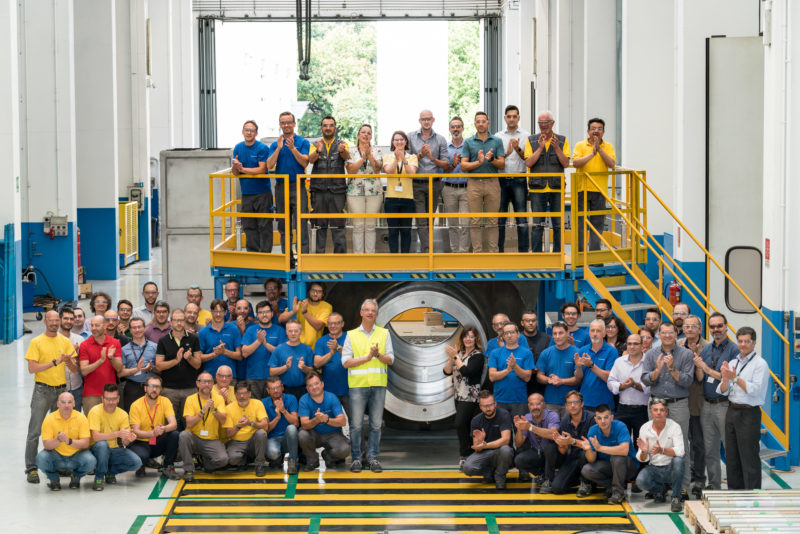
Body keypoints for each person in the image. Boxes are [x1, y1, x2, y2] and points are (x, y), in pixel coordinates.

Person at [24, 311, 78, 484]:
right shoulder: (36, 342)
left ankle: (59, 465)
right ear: (45, 321)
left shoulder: (65, 341)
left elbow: (74, 368)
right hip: (42, 391)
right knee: (35, 431)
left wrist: (68, 360)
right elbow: (32, 369)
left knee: (59, 431)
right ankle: (31, 468)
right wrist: (55, 362)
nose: (54, 323)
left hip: (60, 392)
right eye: (51, 320)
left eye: (57, 320)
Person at [641, 321, 694, 495]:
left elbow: (687, 381)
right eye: (664, 333)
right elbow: (646, 379)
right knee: (655, 443)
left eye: (671, 332)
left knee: (682, 444)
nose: (667, 336)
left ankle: (683, 486)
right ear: (659, 334)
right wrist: (658, 369)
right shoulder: (651, 354)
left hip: (678, 403)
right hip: (657, 404)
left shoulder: (686, 354)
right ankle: (659, 487)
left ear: (676, 333)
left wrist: (671, 369)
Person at [341, 298, 394, 473]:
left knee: (376, 425)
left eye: (373, 310)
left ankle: (372, 458)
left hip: (378, 386)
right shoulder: (351, 335)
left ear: (377, 314)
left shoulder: (384, 334)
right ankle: (356, 458)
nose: (370, 313)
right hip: (358, 386)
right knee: (356, 425)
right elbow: (345, 362)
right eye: (367, 310)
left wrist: (377, 354)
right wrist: (367, 357)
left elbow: (391, 359)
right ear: (361, 313)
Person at [717, 326, 770, 490]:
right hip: (732, 411)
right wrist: (726, 378)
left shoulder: (760, 364)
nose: (743, 344)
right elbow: (722, 390)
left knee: (749, 457)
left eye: (747, 341)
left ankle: (752, 496)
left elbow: (755, 390)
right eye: (740, 341)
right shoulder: (734, 362)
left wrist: (735, 377)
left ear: (754, 343)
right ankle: (735, 493)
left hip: (749, 413)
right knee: (732, 456)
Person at [694, 312, 735, 492]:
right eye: (713, 327)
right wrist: (698, 366)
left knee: (729, 447)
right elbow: (701, 377)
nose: (716, 329)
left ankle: (735, 485)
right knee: (710, 449)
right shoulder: (707, 348)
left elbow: (728, 378)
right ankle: (714, 485)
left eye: (719, 326)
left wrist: (706, 368)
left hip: (724, 404)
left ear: (726, 326)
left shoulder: (733, 349)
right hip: (706, 405)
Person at [267, 111, 311, 257]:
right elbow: (269, 165)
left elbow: (305, 162)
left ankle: (302, 257)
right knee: (283, 224)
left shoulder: (303, 142)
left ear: (294, 123)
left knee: (301, 224)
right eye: (283, 122)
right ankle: (287, 258)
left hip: (298, 186)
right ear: (280, 125)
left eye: (288, 122)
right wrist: (279, 149)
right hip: (281, 188)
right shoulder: (275, 144)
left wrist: (293, 149)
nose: (286, 125)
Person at [525, 111, 570, 252]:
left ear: (552, 123)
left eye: (546, 122)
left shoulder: (562, 140)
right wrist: (539, 148)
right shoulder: (531, 140)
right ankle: (538, 256)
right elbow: (528, 163)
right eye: (540, 123)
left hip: (556, 188)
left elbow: (566, 163)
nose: (543, 126)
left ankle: (558, 254)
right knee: (537, 224)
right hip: (537, 188)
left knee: (558, 224)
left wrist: (556, 148)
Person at [461, 111, 506, 253]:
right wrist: (478, 163)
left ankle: (493, 253)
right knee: (475, 220)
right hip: (474, 183)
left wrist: (491, 159)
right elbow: (463, 166)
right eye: (478, 121)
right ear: (475, 124)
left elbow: (502, 164)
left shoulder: (497, 141)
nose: (481, 124)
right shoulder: (468, 142)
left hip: (493, 182)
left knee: (493, 220)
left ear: (488, 123)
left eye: (483, 121)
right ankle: (477, 253)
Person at [408, 110, 450, 254]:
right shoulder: (410, 137)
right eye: (423, 119)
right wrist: (421, 155)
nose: (426, 121)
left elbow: (445, 164)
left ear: (433, 120)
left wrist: (432, 158)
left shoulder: (441, 139)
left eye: (429, 119)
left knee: (430, 219)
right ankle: (427, 251)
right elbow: (406, 160)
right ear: (419, 121)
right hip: (417, 183)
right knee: (421, 219)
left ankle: (427, 250)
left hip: (435, 183)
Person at [571, 118, 616, 252]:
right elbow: (576, 163)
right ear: (588, 131)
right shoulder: (580, 145)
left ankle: (595, 255)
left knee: (597, 224)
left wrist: (600, 150)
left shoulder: (608, 146)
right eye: (593, 128)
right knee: (580, 224)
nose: (596, 131)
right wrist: (592, 153)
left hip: (600, 190)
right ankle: (580, 255)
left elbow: (612, 164)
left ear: (604, 132)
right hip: (582, 189)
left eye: (599, 129)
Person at [36, 392, 96, 491]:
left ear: (74, 404)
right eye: (63, 402)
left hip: (76, 456)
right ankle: (54, 479)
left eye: (69, 402)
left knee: (91, 461)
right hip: (56, 457)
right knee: (41, 458)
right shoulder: (49, 419)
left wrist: (69, 441)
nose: (66, 405)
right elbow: (47, 445)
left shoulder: (81, 418)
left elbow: (85, 444)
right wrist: (58, 439)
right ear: (58, 404)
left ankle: (76, 477)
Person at [443, 326, 485, 467]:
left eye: (471, 336)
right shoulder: (459, 354)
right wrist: (451, 359)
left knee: (459, 423)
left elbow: (467, 371)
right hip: (458, 396)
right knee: (465, 425)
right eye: (465, 336)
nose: (468, 339)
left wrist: (456, 357)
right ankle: (470, 454)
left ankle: (465, 454)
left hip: (470, 397)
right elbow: (446, 371)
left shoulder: (478, 356)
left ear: (476, 339)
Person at [580, 404, 639, 504]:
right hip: (608, 466)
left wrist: (600, 448)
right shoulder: (593, 431)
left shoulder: (620, 426)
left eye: (606, 417)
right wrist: (589, 449)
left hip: (628, 466)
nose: (603, 421)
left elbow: (624, 451)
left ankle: (618, 493)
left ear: (611, 417)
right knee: (586, 470)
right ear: (595, 419)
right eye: (599, 418)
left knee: (617, 458)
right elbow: (591, 460)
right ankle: (612, 486)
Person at [87, 384, 142, 490]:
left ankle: (109, 472)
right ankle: (99, 477)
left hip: (115, 450)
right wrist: (117, 434)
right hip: (96, 451)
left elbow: (124, 442)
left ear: (118, 399)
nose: (111, 402)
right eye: (108, 399)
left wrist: (128, 439)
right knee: (102, 445)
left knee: (136, 462)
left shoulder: (123, 414)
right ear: (102, 399)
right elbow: (95, 437)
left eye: (113, 399)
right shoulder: (95, 411)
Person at [155, 308, 203, 430]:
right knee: (170, 425)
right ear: (171, 321)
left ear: (185, 321)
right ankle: (170, 449)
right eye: (176, 320)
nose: (179, 323)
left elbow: (198, 364)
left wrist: (190, 358)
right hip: (169, 390)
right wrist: (176, 361)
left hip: (190, 389)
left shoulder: (193, 339)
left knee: (190, 425)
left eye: (181, 320)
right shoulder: (163, 341)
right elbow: (159, 366)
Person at [636, 398, 686, 513]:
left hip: (670, 468)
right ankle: (660, 490)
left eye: (662, 410)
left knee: (679, 461)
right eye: (655, 410)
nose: (659, 413)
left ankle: (676, 498)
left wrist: (662, 450)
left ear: (666, 412)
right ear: (651, 412)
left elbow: (681, 451)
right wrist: (644, 451)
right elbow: (642, 458)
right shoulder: (645, 428)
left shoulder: (674, 426)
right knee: (640, 481)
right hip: (654, 468)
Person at [308, 115, 349, 254]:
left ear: (335, 128)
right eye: (325, 125)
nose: (328, 128)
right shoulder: (314, 144)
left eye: (331, 125)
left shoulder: (342, 143)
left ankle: (340, 258)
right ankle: (319, 257)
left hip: (337, 191)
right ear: (321, 128)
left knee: (338, 225)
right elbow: (311, 160)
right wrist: (318, 150)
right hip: (318, 191)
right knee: (319, 225)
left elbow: (346, 158)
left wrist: (342, 150)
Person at [178, 371, 229, 481]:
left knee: (223, 460)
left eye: (209, 382)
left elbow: (223, 420)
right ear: (198, 383)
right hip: (194, 437)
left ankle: (205, 463)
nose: (207, 384)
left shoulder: (219, 398)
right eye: (204, 381)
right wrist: (203, 411)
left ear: (212, 384)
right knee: (183, 435)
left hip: (211, 439)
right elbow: (189, 423)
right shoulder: (190, 399)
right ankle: (188, 469)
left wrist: (214, 410)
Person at [128, 375, 181, 479]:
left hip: (157, 441)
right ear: (145, 388)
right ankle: (142, 464)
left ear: (161, 389)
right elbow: (136, 431)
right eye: (151, 386)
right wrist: (152, 433)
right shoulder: (136, 405)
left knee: (174, 434)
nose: (154, 389)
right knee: (142, 457)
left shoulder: (165, 401)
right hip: (140, 442)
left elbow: (173, 424)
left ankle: (168, 466)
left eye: (157, 387)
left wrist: (162, 429)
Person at [232, 119, 272, 252]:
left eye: (252, 130)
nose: (249, 133)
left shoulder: (262, 148)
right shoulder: (238, 148)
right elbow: (235, 173)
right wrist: (236, 167)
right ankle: (253, 254)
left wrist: (242, 169)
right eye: (246, 130)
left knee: (264, 225)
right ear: (242, 132)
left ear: (256, 133)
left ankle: (266, 254)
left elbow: (261, 169)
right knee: (249, 226)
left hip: (262, 193)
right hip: (246, 193)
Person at [681, 313, 710, 497]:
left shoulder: (707, 348)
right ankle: (682, 477)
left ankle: (699, 479)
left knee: (699, 443)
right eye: (687, 326)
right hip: (680, 401)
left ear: (700, 329)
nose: (690, 329)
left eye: (693, 326)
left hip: (699, 402)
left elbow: (702, 378)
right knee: (682, 444)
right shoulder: (677, 345)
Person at [495, 105, 530, 253]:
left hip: (519, 180)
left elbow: (528, 159)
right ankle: (499, 252)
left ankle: (523, 252)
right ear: (505, 118)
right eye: (509, 116)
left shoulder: (527, 136)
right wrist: (508, 152)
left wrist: (518, 149)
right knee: (500, 219)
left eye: (514, 116)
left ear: (519, 118)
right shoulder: (497, 137)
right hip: (501, 180)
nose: (511, 119)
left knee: (521, 218)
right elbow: (496, 159)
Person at [461, 391, 514, 489]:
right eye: (485, 406)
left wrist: (486, 445)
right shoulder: (476, 420)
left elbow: (506, 440)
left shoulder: (503, 414)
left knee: (506, 450)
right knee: (467, 467)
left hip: (500, 452)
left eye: (490, 405)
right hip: (485, 453)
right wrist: (480, 441)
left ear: (495, 404)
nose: (488, 408)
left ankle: (500, 476)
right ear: (480, 407)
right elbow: (477, 449)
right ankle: (488, 472)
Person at [298, 373, 350, 471]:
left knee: (345, 450)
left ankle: (328, 456)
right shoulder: (304, 400)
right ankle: (312, 460)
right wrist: (316, 420)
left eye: (316, 383)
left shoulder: (332, 397)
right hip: (315, 434)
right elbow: (304, 425)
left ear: (322, 384)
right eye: (310, 385)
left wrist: (326, 420)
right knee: (302, 435)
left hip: (333, 434)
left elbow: (342, 421)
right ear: (307, 388)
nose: (314, 387)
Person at [345, 123, 383, 254]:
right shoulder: (350, 151)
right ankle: (358, 257)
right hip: (354, 192)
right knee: (358, 225)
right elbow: (351, 171)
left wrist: (369, 155)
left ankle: (370, 257)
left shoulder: (377, 151)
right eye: (363, 132)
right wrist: (363, 158)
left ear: (371, 136)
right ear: (358, 135)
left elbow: (377, 170)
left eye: (368, 133)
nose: (366, 135)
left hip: (374, 192)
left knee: (371, 225)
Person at [607, 334, 650, 445]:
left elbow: (651, 386)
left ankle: (640, 463)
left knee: (641, 444)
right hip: (622, 409)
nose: (632, 347)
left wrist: (634, 385)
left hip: (643, 410)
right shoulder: (619, 362)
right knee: (621, 443)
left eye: (635, 344)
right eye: (629, 344)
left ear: (642, 345)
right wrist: (622, 386)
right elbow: (610, 382)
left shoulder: (649, 362)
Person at [241, 300, 288, 399]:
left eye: (266, 312)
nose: (264, 315)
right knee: (254, 409)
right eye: (261, 313)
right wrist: (258, 341)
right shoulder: (250, 330)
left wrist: (265, 343)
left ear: (271, 314)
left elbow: (283, 355)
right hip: (253, 377)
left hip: (273, 379)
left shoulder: (280, 331)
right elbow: (244, 353)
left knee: (272, 408)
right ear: (257, 315)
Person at [513, 393, 560, 491]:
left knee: (550, 447)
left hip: (554, 454)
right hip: (537, 452)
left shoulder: (552, 415)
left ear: (544, 404)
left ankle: (549, 480)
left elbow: (553, 434)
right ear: (528, 406)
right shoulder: (527, 417)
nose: (535, 407)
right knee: (519, 460)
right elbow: (518, 443)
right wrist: (519, 430)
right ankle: (542, 475)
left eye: (538, 404)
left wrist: (530, 427)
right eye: (532, 404)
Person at [551, 390, 594, 494]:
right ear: (566, 406)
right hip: (574, 458)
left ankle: (586, 483)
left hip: (592, 458)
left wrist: (572, 441)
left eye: (576, 402)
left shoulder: (592, 418)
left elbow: (592, 446)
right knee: (557, 488)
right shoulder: (565, 421)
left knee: (583, 453)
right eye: (569, 403)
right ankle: (579, 478)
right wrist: (561, 444)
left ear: (582, 404)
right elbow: (563, 452)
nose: (573, 405)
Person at [382, 130, 418, 253]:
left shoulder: (412, 157)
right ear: (393, 142)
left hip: (407, 199)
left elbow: (411, 174)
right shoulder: (387, 157)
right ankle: (393, 258)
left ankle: (405, 258)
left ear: (406, 142)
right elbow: (389, 171)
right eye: (396, 140)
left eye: (401, 139)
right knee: (392, 230)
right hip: (391, 199)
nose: (399, 142)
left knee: (406, 230)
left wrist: (404, 159)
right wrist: (396, 159)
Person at [79, 315, 123, 414]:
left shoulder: (115, 343)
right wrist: (101, 360)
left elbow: (119, 368)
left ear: (105, 326)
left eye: (97, 325)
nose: (93, 328)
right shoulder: (84, 345)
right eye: (92, 325)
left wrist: (111, 358)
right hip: (91, 394)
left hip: (111, 393)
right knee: (91, 426)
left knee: (111, 425)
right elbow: (84, 370)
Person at [488, 323, 534, 417]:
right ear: (503, 336)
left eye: (512, 332)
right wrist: (507, 370)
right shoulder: (495, 353)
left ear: (518, 334)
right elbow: (492, 376)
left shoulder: (527, 353)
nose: (509, 335)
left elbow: (527, 377)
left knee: (520, 430)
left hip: (520, 400)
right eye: (506, 333)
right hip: (500, 400)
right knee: (502, 430)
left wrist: (515, 366)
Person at [224, 381, 269, 476]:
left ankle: (259, 465)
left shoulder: (258, 403)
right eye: (239, 394)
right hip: (236, 442)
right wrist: (238, 426)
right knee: (232, 460)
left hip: (253, 440)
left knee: (261, 433)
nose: (242, 396)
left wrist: (250, 423)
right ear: (235, 395)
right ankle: (244, 459)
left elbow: (265, 425)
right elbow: (228, 434)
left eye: (244, 393)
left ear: (249, 394)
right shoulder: (229, 408)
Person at [536, 322, 580, 418]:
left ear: (567, 333)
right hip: (550, 402)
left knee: (569, 431)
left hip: (571, 403)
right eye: (555, 333)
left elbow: (578, 379)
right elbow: (539, 376)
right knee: (551, 432)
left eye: (560, 333)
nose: (557, 336)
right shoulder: (546, 353)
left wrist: (561, 381)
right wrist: (548, 380)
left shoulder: (577, 353)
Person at [575, 320, 618, 411]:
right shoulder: (583, 350)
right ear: (589, 332)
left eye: (598, 331)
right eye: (592, 331)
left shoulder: (612, 351)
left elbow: (608, 377)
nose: (595, 334)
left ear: (604, 333)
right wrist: (578, 367)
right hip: (585, 402)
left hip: (605, 402)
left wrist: (591, 365)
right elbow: (578, 378)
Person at [313, 313, 349, 418]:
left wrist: (338, 348)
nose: (332, 326)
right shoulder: (321, 341)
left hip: (349, 390)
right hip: (329, 391)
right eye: (330, 323)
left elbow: (354, 358)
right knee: (331, 422)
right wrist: (331, 353)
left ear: (342, 324)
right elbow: (317, 363)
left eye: (336, 323)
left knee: (355, 423)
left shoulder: (350, 338)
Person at [262, 376, 300, 474]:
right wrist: (277, 417)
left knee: (291, 428)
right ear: (268, 390)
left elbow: (295, 423)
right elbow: (266, 429)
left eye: (278, 387)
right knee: (273, 454)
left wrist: (283, 410)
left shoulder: (291, 398)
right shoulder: (263, 403)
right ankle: (277, 459)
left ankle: (292, 461)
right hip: (273, 438)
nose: (276, 390)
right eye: (272, 388)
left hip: (288, 439)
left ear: (282, 387)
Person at [443, 116, 469, 253]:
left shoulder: (469, 145)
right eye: (453, 127)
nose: (456, 129)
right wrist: (452, 164)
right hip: (448, 188)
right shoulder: (445, 148)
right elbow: (441, 169)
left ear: (463, 128)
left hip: (466, 188)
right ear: (449, 129)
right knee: (452, 224)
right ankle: (454, 252)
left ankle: (463, 252)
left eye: (458, 126)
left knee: (465, 223)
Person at [269, 320, 315, 400]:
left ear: (300, 332)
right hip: (284, 390)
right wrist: (285, 367)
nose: (293, 333)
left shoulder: (307, 349)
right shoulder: (278, 349)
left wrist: (304, 367)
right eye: (290, 331)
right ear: (286, 332)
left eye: (296, 331)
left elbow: (312, 371)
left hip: (304, 390)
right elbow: (271, 372)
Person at [119, 317, 157, 412]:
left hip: (152, 387)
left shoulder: (155, 346)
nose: (137, 330)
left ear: (144, 328)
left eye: (139, 327)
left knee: (153, 416)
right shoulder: (124, 349)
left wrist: (151, 368)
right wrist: (136, 369)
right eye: (134, 328)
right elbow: (120, 373)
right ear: (130, 330)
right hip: (132, 388)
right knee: (132, 416)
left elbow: (161, 368)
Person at [199, 299, 243, 378]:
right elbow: (199, 358)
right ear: (211, 312)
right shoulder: (203, 332)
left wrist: (224, 351)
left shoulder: (234, 329)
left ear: (225, 312)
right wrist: (215, 354)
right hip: (209, 378)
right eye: (215, 311)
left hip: (229, 377)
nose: (218, 314)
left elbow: (239, 355)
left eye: (221, 311)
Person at [280, 282, 331, 349]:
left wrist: (305, 313)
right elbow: (281, 319)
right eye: (313, 290)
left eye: (319, 291)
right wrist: (293, 311)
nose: (315, 294)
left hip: (314, 349)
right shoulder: (301, 303)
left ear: (323, 294)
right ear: (309, 291)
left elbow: (318, 326)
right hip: (296, 347)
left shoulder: (326, 307)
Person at [58, 307, 84, 413]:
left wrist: (76, 355)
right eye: (65, 318)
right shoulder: (52, 340)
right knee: (57, 419)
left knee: (75, 419)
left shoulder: (79, 340)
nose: (69, 321)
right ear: (60, 320)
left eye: (71, 319)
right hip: (58, 389)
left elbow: (82, 365)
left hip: (76, 387)